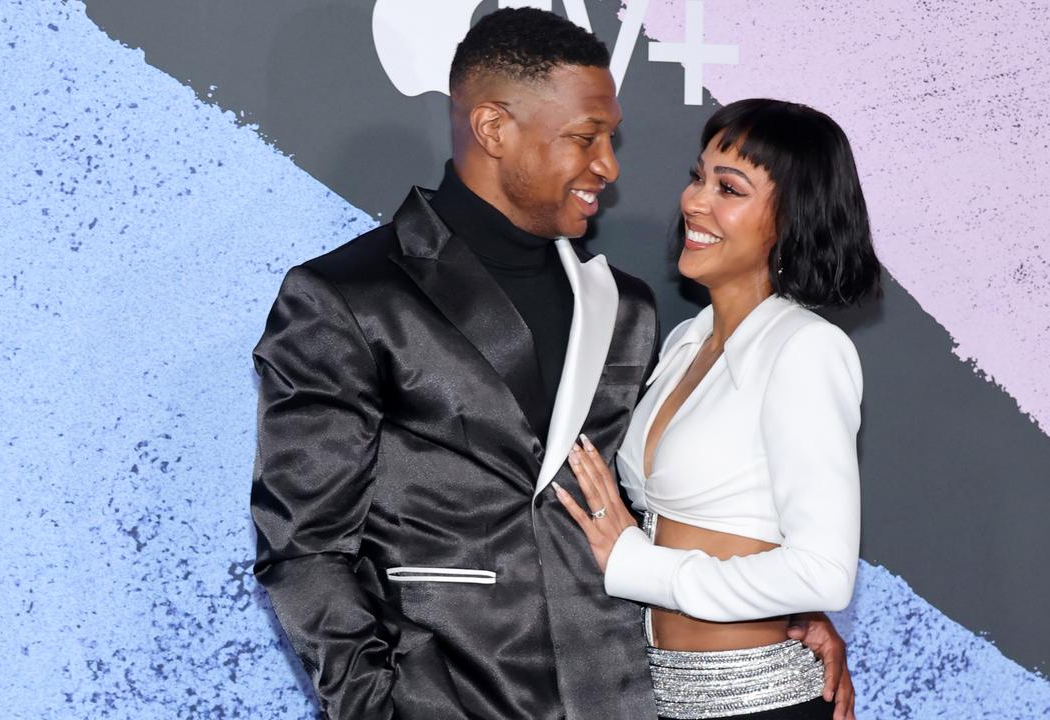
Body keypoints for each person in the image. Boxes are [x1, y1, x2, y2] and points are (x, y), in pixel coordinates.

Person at [251, 9, 853, 719]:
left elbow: (649, 508)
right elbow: (305, 548)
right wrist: (378, 706)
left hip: (630, 698)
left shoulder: (626, 305)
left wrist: (772, 624)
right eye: (584, 138)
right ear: (494, 129)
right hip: (448, 698)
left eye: (611, 138)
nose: (609, 166)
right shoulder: (346, 297)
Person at [557, 98, 880, 720]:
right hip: (658, 699)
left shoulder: (806, 349)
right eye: (697, 176)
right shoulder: (685, 341)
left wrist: (642, 567)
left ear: (792, 220)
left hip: (759, 704)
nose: (694, 201)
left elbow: (823, 574)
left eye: (728, 188)